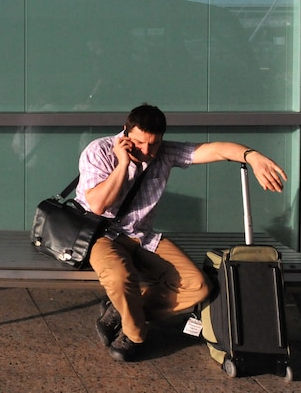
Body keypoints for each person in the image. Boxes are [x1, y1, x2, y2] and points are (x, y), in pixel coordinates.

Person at [75, 104, 287, 362]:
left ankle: (122, 310)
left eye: (153, 144)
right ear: (126, 133)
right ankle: (134, 335)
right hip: (101, 235)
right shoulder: (99, 151)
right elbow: (98, 205)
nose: (146, 151)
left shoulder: (164, 153)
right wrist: (122, 165)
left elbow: (216, 150)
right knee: (120, 278)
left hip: (142, 237)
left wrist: (252, 156)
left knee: (198, 286)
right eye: (140, 143)